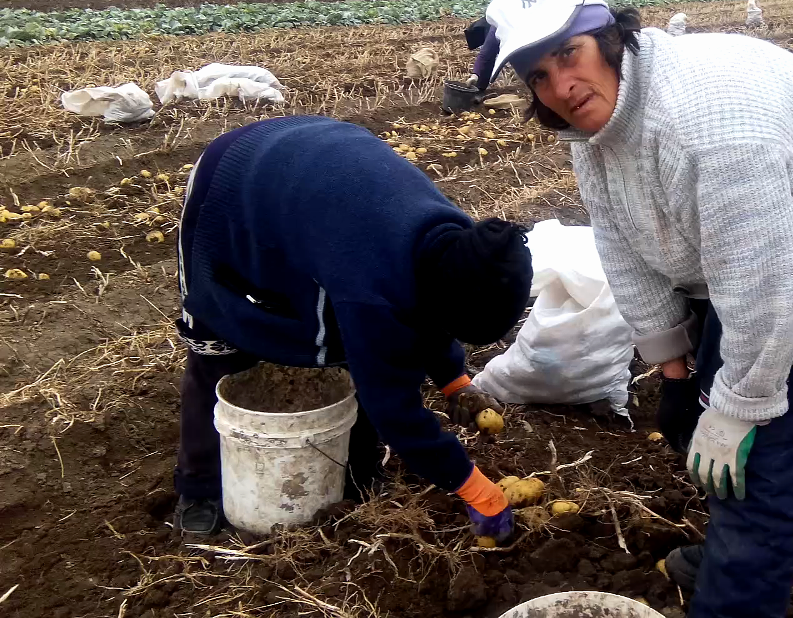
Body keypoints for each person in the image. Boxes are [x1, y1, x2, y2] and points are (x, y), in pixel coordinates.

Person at [483, 0, 793, 618]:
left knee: (760, 461)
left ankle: (739, 582)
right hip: (751, 255)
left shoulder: (705, 124)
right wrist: (673, 370)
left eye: (569, 54)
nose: (562, 85)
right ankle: (734, 551)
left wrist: (741, 405)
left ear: (607, 35)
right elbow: (622, 242)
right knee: (710, 414)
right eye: (540, 76)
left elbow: (763, 284)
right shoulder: (596, 129)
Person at [171, 115, 532, 539]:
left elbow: (432, 312)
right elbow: (393, 406)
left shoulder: (455, 240)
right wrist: (475, 489)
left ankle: (356, 468)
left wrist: (454, 381)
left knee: (347, 339)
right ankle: (199, 487)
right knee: (217, 344)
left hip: (314, 185)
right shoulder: (372, 285)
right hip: (234, 182)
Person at [465, 16, 501, 93]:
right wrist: (474, 76)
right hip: (496, 28)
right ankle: (480, 88)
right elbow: (485, 54)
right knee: (490, 53)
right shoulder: (497, 28)